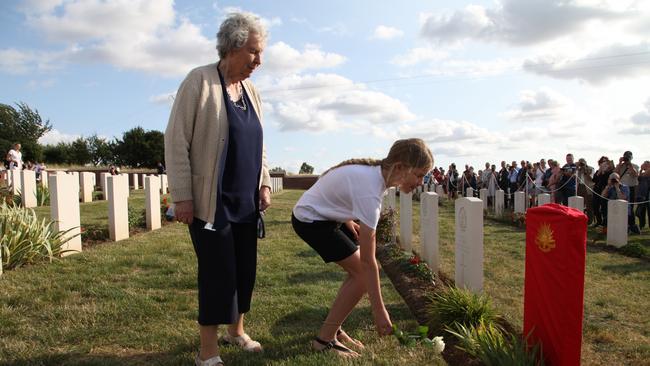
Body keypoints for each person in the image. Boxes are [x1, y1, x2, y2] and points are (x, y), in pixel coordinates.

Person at [164, 12, 272, 366]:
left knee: (244, 272)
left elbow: (260, 142)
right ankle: (207, 351)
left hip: (245, 201)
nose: (259, 60)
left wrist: (264, 182)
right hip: (212, 202)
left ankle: (236, 330)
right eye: (254, 52)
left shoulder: (251, 90)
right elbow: (176, 139)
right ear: (234, 45)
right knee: (217, 273)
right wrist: (182, 194)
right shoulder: (199, 81)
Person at [291, 138, 433, 357]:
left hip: (325, 217)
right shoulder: (371, 189)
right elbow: (369, 262)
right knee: (361, 274)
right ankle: (324, 341)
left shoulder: (375, 176)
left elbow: (340, 192)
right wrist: (379, 310)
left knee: (358, 273)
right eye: (419, 174)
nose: (421, 181)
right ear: (400, 167)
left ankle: (334, 330)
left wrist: (347, 219)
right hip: (310, 220)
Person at [615, 151, 640, 234]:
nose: (626, 159)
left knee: (630, 208)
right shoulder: (620, 166)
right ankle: (624, 224)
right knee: (621, 206)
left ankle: (631, 225)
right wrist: (619, 163)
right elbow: (615, 173)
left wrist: (630, 165)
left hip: (631, 188)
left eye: (628, 157)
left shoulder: (635, 166)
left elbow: (635, 174)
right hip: (621, 188)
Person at [592, 157, 613, 227]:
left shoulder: (610, 171)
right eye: (601, 162)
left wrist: (604, 171)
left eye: (605, 162)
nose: (603, 163)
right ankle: (599, 221)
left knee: (604, 207)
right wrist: (600, 171)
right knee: (595, 206)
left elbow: (605, 180)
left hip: (605, 190)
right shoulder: (598, 171)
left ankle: (605, 222)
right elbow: (594, 180)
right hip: (597, 190)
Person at [636, 161, 650, 230]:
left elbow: (644, 176)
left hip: (648, 193)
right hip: (642, 194)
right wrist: (641, 169)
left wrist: (645, 167)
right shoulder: (643, 173)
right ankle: (642, 224)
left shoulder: (648, 171)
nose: (644, 165)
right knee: (641, 210)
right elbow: (639, 178)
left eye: (646, 164)